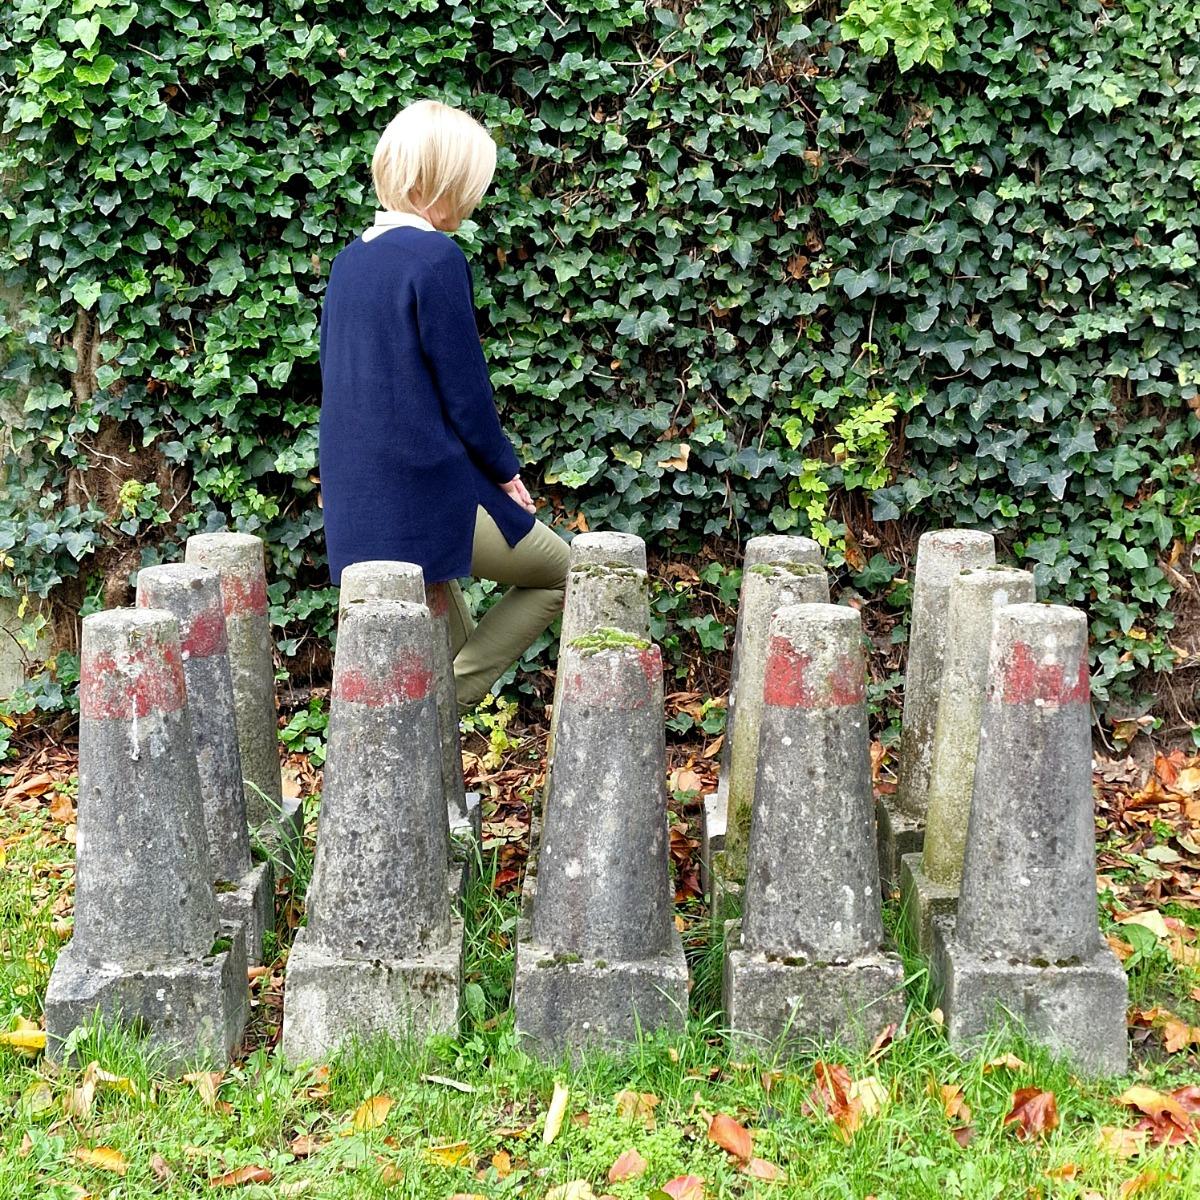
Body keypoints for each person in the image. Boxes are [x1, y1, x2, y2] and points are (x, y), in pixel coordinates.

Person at [318, 98, 568, 709]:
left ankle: (420, 731)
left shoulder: (348, 262)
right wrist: (506, 473)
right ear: (445, 182)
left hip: (358, 499)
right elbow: (465, 390)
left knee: (438, 630)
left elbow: (343, 382)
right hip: (427, 494)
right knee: (566, 570)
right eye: (472, 185)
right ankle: (435, 705)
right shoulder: (435, 259)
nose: (476, 199)